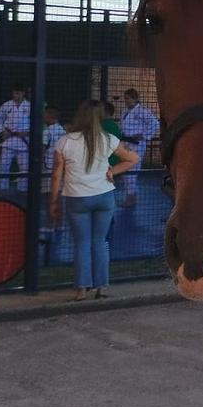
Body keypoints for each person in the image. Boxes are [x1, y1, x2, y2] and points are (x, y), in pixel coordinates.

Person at [48, 98, 139, 300]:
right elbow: (133, 159)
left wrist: (53, 202)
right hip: (104, 196)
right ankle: (101, 287)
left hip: (76, 198)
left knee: (82, 243)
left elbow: (56, 175)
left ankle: (81, 289)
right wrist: (113, 171)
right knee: (100, 241)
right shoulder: (108, 139)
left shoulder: (65, 141)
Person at [118, 87, 160, 203]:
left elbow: (155, 123)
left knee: (132, 169)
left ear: (135, 98)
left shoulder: (142, 111)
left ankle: (130, 197)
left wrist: (143, 135)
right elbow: (123, 128)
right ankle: (131, 195)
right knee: (125, 169)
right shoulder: (124, 112)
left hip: (137, 144)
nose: (126, 101)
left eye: (128, 98)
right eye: (125, 98)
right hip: (126, 143)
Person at [0, 84, 32, 193]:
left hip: (23, 140)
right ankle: (2, 189)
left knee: (25, 167)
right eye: (14, 93)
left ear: (23, 93)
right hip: (8, 139)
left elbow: (37, 122)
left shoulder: (29, 106)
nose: (16, 95)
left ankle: (23, 189)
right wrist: (2, 131)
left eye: (18, 93)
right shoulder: (7, 105)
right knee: (3, 166)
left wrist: (28, 132)